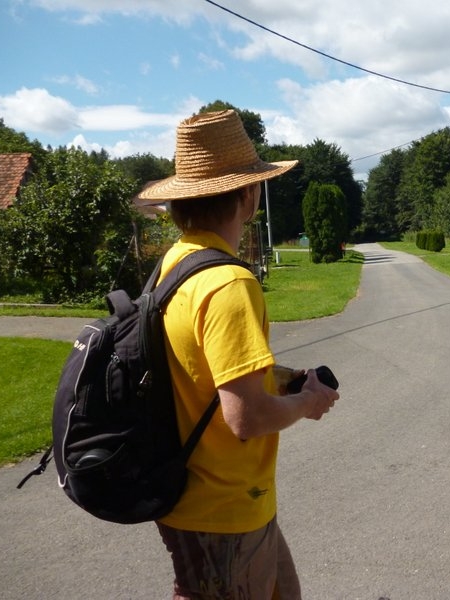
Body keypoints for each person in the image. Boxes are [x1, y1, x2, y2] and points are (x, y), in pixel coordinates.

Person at [135, 109, 340, 599]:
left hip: (208, 499)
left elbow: (199, 370)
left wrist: (282, 379)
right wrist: (308, 402)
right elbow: (245, 417)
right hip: (222, 510)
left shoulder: (175, 265)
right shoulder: (228, 283)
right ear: (248, 195)